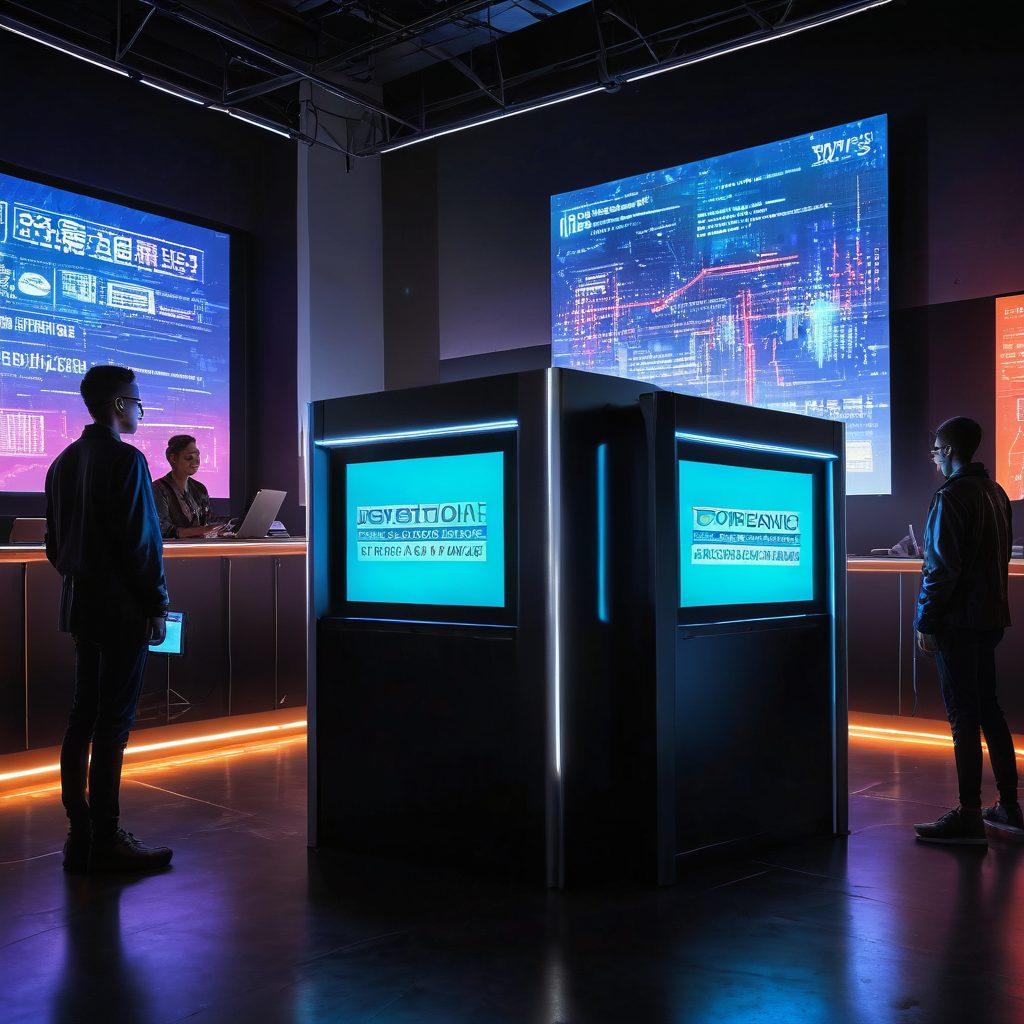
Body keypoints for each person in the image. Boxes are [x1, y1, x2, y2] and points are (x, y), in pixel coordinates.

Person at [45, 365, 174, 873]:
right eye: (138, 402)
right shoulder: (126, 460)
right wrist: (157, 604)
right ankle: (107, 837)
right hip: (123, 610)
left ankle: (80, 831)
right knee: (114, 723)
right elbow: (143, 543)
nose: (141, 410)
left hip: (81, 606)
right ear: (119, 404)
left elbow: (55, 545)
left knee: (82, 717)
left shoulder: (62, 462)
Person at [913, 416, 1018, 845]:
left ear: (951, 450)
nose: (934, 456)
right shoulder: (997, 493)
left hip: (956, 624)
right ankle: (1009, 806)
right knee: (990, 710)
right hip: (990, 620)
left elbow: (940, 569)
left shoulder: (951, 497)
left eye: (936, 449)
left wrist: (925, 621)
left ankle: (970, 815)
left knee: (963, 717)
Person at [152, 434, 223, 539]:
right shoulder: (158, 488)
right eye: (189, 457)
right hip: (172, 551)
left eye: (197, 455)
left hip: (200, 549)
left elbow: (208, 520)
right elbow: (161, 528)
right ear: (173, 459)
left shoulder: (200, 488)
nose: (197, 461)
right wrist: (201, 530)